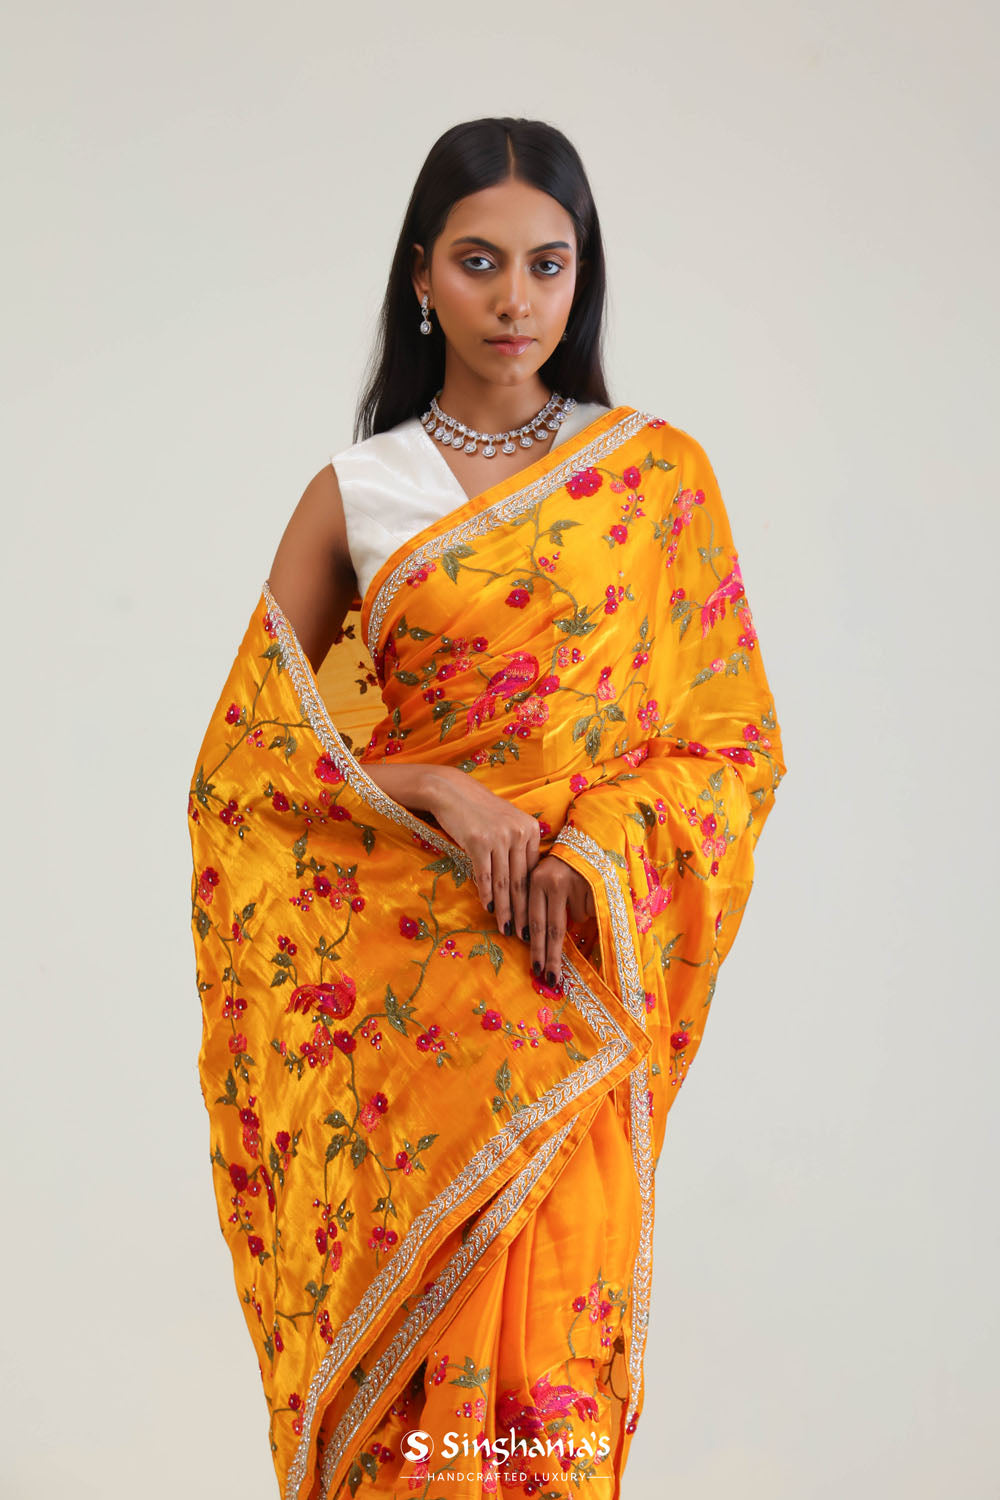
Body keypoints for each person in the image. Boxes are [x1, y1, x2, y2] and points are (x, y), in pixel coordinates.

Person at [187, 116, 787, 1500]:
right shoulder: (360, 493)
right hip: (414, 1023)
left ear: (583, 279)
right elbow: (245, 769)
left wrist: (595, 849)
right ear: (421, 276)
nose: (515, 300)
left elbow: (732, 742)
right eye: (478, 262)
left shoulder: (655, 479)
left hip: (569, 988)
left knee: (548, 1410)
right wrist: (440, 790)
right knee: (411, 1435)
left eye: (547, 265)